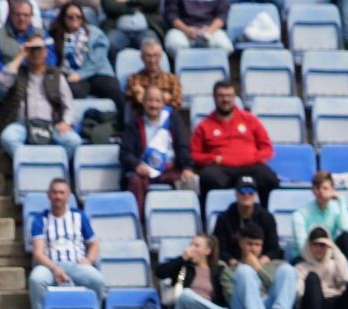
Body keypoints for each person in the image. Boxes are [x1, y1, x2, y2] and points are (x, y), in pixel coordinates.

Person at [27, 177, 104, 309]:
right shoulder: (40, 219)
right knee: (36, 280)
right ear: (48, 195)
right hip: (49, 265)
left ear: (68, 196)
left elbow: (94, 244)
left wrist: (89, 259)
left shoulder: (79, 217)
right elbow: (38, 253)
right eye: (54, 192)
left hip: (76, 264)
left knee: (97, 280)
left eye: (62, 193)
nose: (58, 196)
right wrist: (55, 269)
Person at [0, 33, 82, 162]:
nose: (36, 53)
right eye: (32, 49)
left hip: (51, 125)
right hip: (23, 124)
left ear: (45, 52)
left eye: (39, 49)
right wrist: (21, 56)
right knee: (8, 138)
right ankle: (29, 164)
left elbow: (68, 104)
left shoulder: (56, 74)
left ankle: (52, 165)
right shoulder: (19, 72)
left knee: (74, 141)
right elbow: (2, 82)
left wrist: (66, 122)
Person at [190, 80, 275, 202]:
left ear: (234, 98)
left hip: (250, 166)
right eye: (221, 96)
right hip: (221, 168)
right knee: (207, 177)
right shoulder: (204, 126)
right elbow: (194, 154)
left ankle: (265, 216)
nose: (225, 100)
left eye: (229, 96)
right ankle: (210, 217)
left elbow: (267, 148)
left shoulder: (250, 120)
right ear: (214, 98)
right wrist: (212, 159)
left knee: (270, 179)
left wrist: (253, 157)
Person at [119, 83, 194, 213]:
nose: (153, 105)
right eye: (150, 100)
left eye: (157, 101)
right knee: (135, 181)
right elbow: (125, 153)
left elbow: (183, 145)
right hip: (145, 171)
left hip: (170, 169)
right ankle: (139, 222)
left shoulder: (173, 119)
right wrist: (137, 166)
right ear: (143, 102)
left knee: (189, 180)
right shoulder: (135, 124)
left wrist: (187, 167)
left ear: (163, 103)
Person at [222, 222, 296, 309]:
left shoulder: (275, 265)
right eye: (249, 244)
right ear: (241, 243)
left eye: (257, 245)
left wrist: (259, 269)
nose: (253, 249)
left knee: (288, 270)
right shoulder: (229, 271)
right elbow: (231, 298)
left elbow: (283, 292)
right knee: (244, 271)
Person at [157, 232, 239, 309]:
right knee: (185, 294)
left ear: (207, 251)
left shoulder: (218, 271)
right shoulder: (184, 267)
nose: (191, 248)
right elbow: (160, 272)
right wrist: (183, 258)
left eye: (196, 245)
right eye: (191, 244)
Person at [289, 170, 348, 276]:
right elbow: (301, 246)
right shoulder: (300, 214)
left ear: (332, 190)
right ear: (312, 191)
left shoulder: (336, 209)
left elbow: (345, 228)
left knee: (346, 238)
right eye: (317, 188)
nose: (321, 192)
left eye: (325, 188)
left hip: (326, 253)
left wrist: (341, 200)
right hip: (305, 257)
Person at [50, 3, 123, 114]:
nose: (75, 19)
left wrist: (81, 74)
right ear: (63, 18)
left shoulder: (94, 33)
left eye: (78, 16)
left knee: (113, 89)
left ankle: (122, 125)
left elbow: (97, 61)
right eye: (70, 17)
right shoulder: (57, 35)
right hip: (71, 74)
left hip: (97, 72)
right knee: (71, 91)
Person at [0, 0, 38, 96]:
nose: (21, 18)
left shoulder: (41, 35)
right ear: (11, 15)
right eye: (18, 15)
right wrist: (12, 73)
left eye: (26, 15)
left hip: (36, 78)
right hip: (9, 80)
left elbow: (51, 60)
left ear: (31, 16)